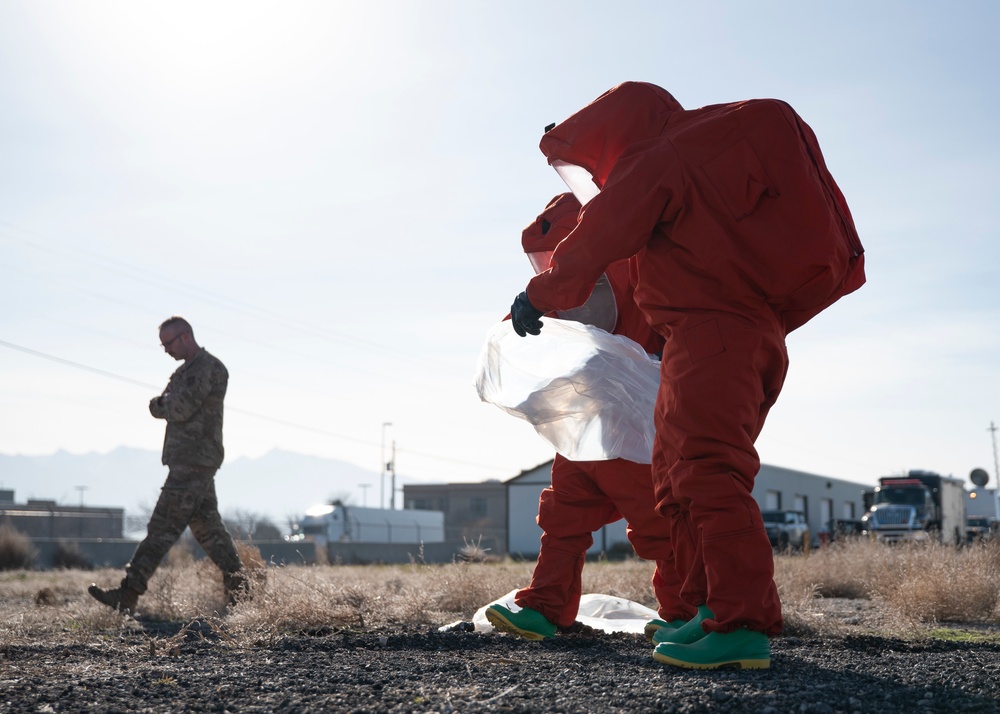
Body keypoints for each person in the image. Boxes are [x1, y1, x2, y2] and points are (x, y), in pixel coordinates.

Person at [508, 82, 865, 669]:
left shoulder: (660, 156)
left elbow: (601, 230)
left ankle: (742, 623)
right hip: (731, 336)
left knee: (706, 475)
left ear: (610, 130)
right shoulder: (704, 161)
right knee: (677, 483)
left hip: (710, 337)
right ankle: (707, 612)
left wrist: (539, 293)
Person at [486, 193, 693, 641]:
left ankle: (685, 616)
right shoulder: (559, 293)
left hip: (637, 436)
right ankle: (543, 610)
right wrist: (516, 320)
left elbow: (674, 323)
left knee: (659, 526)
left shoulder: (640, 280)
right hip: (582, 432)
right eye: (545, 262)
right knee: (563, 518)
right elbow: (528, 328)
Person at [89, 317, 249, 614]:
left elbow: (179, 407)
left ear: (185, 337)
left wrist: (158, 404)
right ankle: (244, 595)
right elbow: (173, 404)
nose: (165, 350)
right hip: (191, 461)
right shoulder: (184, 372)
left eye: (168, 343)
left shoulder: (209, 368)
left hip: (194, 462)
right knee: (209, 532)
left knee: (161, 528)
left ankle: (128, 594)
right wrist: (164, 403)